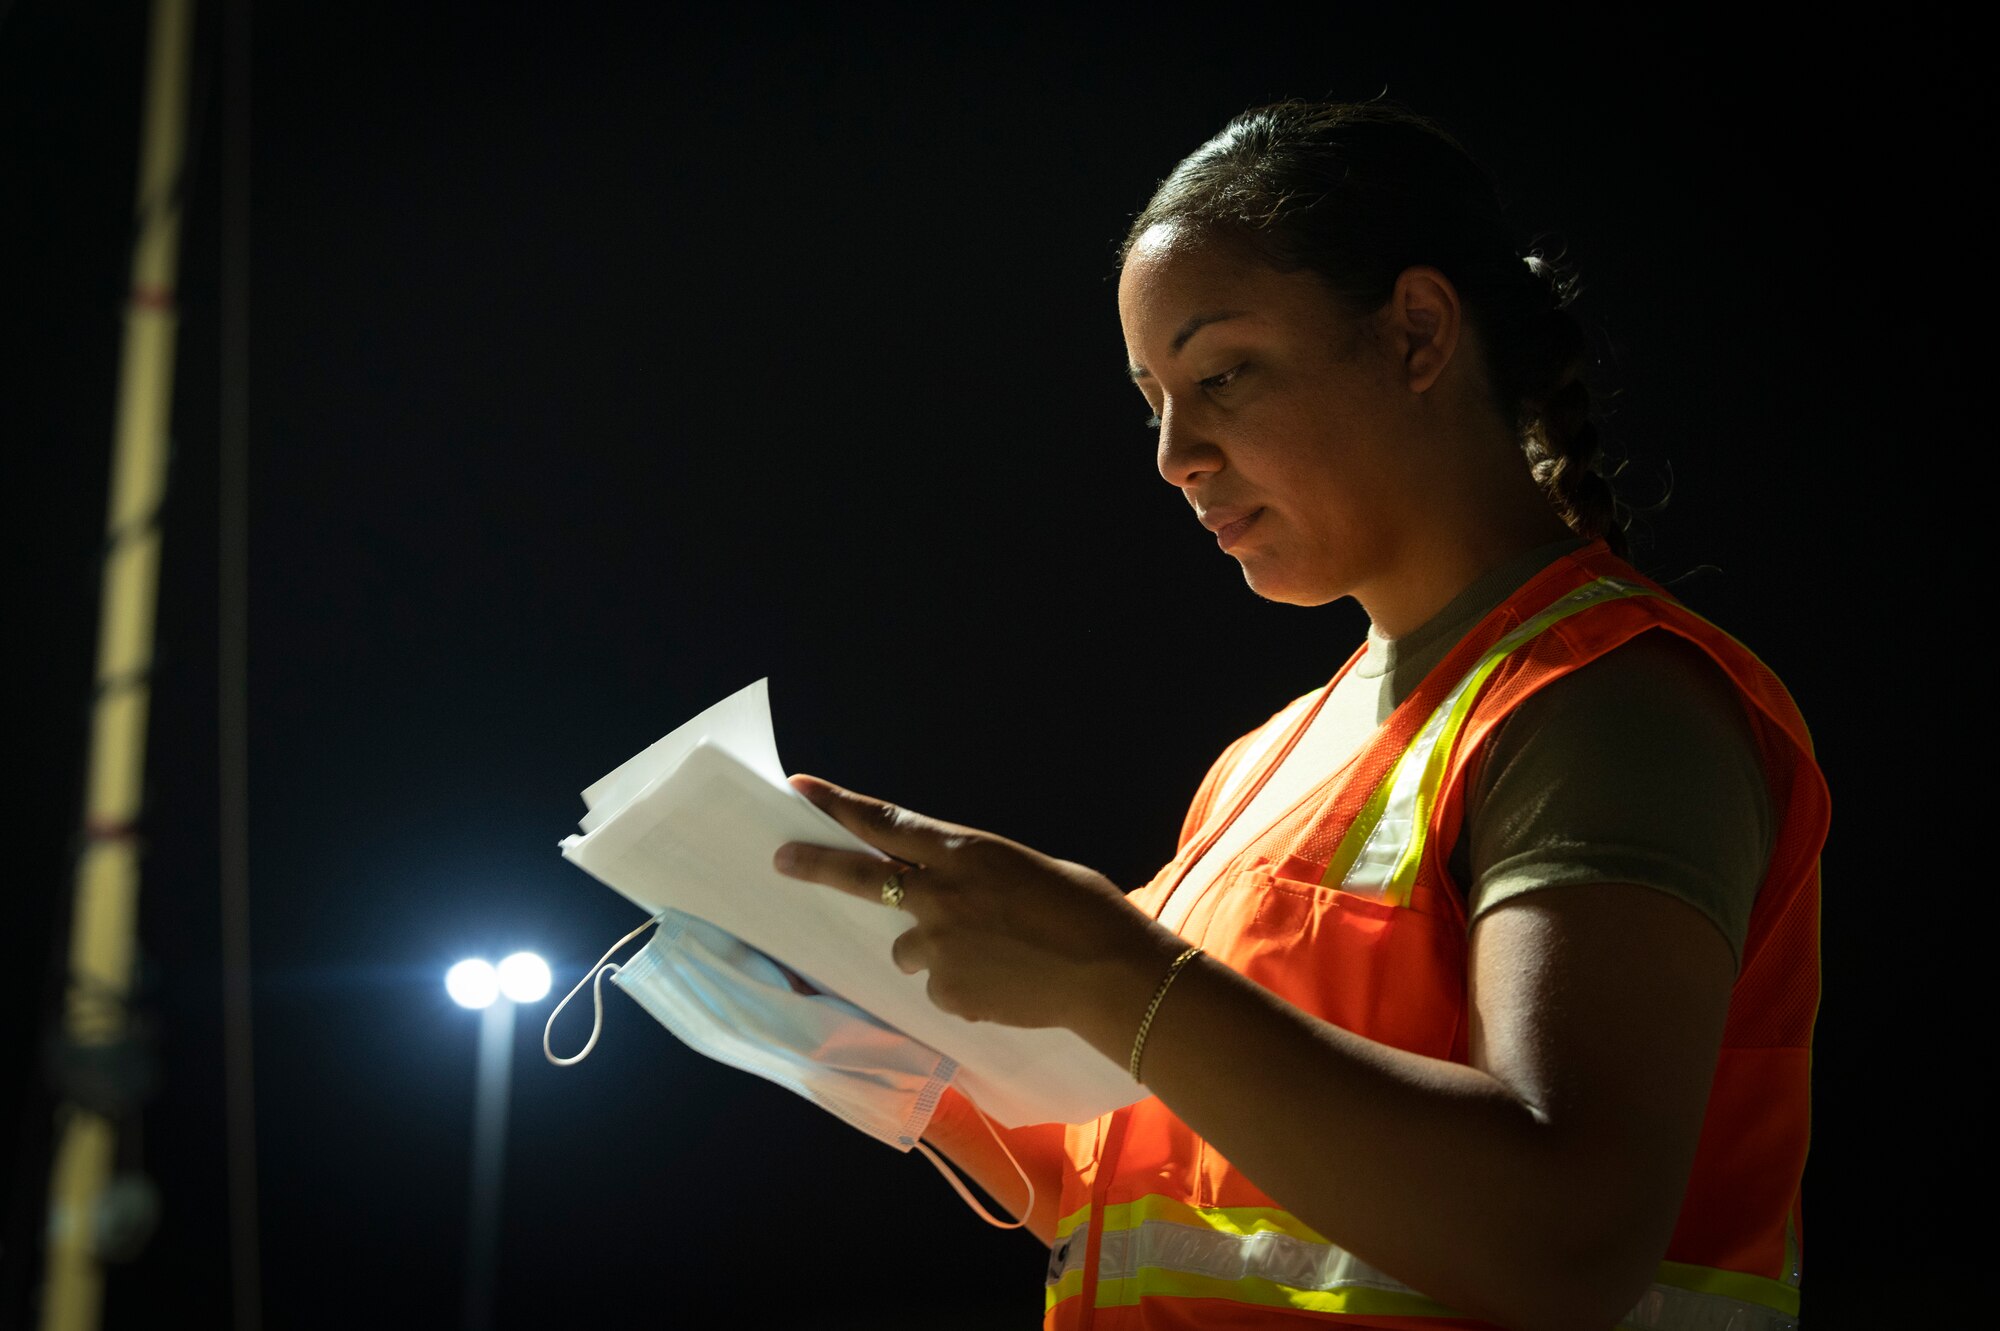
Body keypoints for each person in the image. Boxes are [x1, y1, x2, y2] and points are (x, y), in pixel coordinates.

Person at [773, 100, 1824, 1331]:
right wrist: (872, 1030)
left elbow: (1564, 1238)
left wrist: (1111, 968)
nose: (1174, 452)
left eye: (1221, 373)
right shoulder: (1263, 762)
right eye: (1150, 397)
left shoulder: (1605, 703)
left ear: (1417, 333)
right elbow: (1186, 1197)